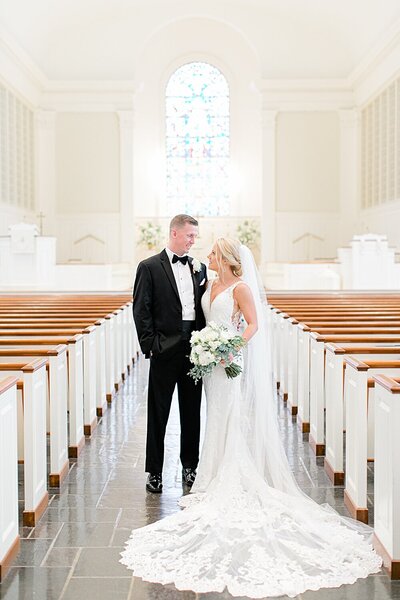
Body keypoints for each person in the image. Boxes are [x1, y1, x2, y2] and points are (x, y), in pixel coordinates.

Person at [122, 238, 381, 598]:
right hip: (207, 362)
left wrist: (229, 350)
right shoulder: (209, 283)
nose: (206, 256)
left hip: (227, 361)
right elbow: (191, 315)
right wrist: (201, 347)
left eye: (212, 253)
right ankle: (206, 471)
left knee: (229, 414)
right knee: (212, 416)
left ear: (225, 258)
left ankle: (222, 470)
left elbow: (253, 324)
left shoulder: (242, 288)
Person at [132, 214, 207, 493]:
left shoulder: (200, 269)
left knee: (192, 412)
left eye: (195, 236)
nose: (193, 240)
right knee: (158, 413)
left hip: (195, 350)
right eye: (189, 235)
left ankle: (190, 467)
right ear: (174, 233)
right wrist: (151, 346)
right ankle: (154, 472)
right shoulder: (149, 267)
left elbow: (202, 308)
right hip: (164, 350)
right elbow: (141, 310)